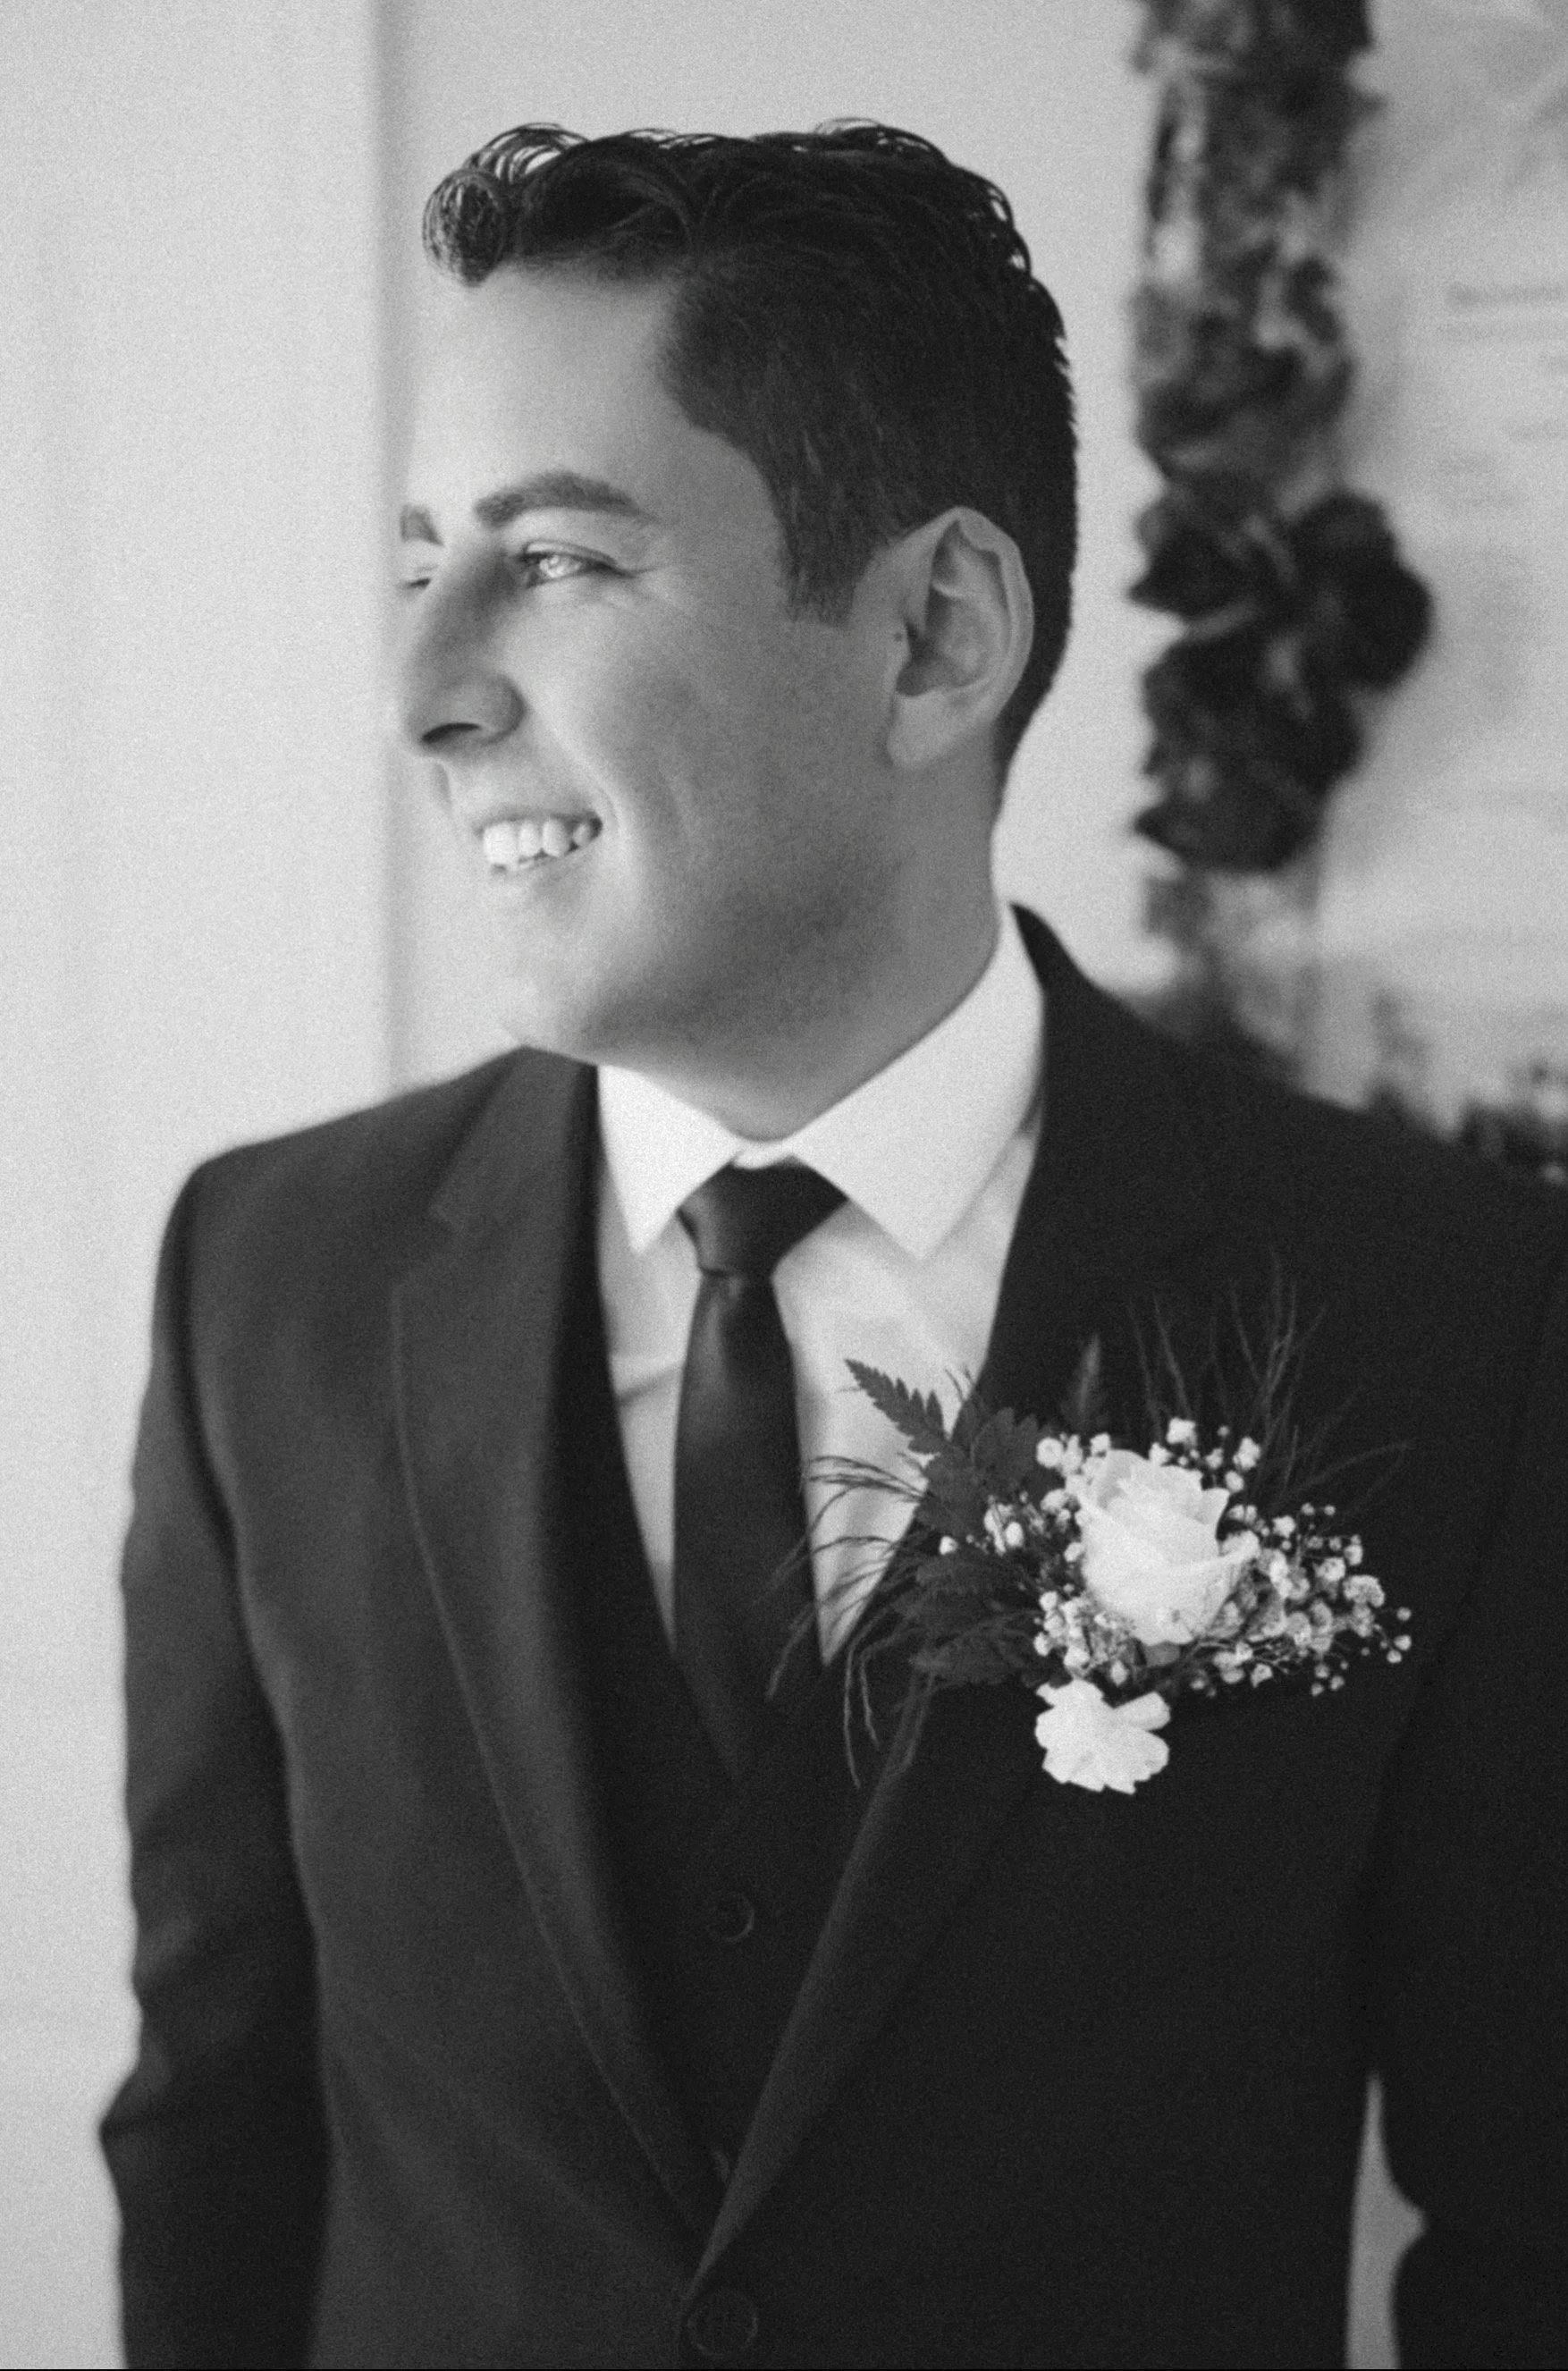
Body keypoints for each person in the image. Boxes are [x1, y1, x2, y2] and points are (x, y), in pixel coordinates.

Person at [102, 122, 1568, 2370]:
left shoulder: (1443, 1309)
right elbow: (221, 2128)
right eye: (419, 562)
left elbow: (1528, 2221)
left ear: (935, 636)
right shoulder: (264, 1285)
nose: (423, 690)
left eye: (559, 563)